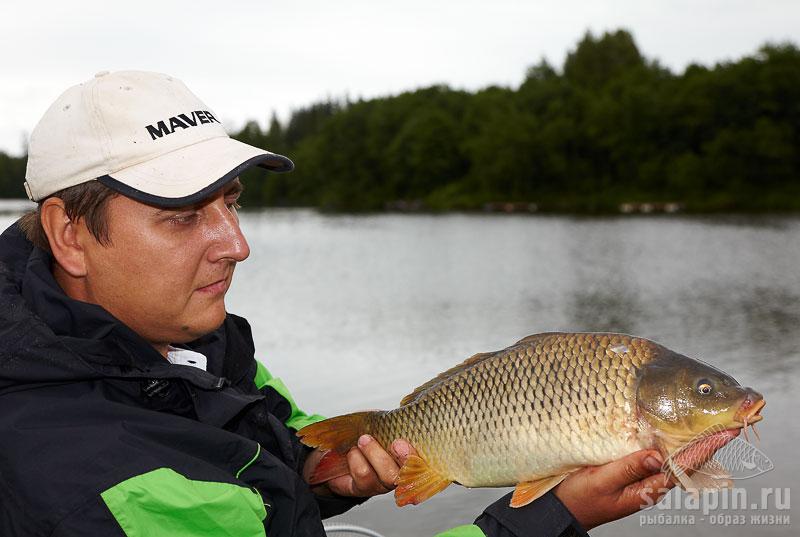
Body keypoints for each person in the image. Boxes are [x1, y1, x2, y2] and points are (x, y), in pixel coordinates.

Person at [0, 71, 672, 536]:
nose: (237, 244)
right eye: (181, 217)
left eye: (231, 204)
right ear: (69, 233)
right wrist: (551, 517)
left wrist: (325, 476)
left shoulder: (193, 342)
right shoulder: (88, 479)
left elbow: (275, 438)